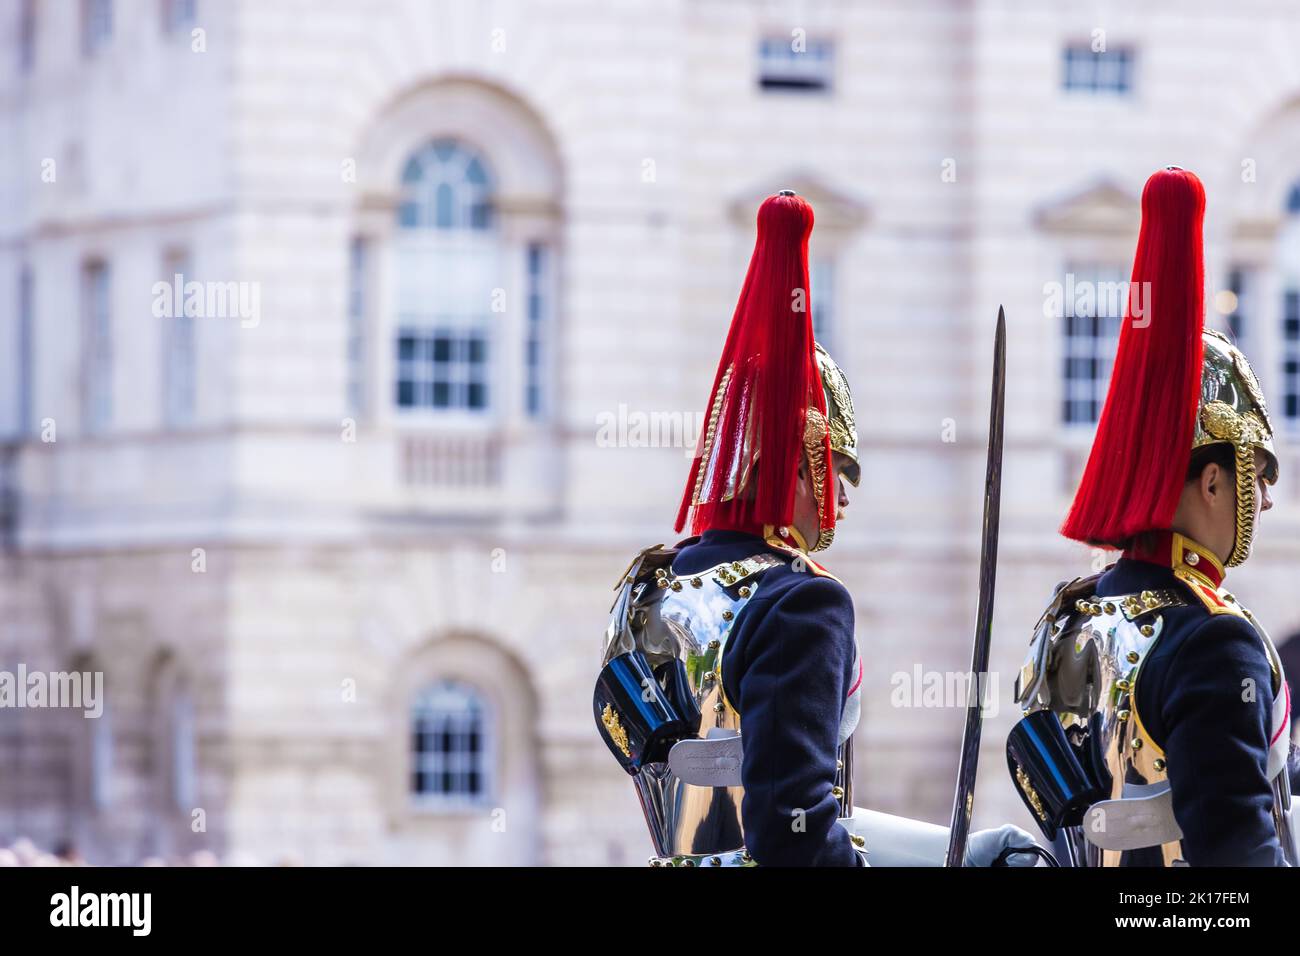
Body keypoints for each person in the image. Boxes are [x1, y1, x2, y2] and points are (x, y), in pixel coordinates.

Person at [594, 190, 1037, 866]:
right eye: (837, 470)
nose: (845, 499)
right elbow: (794, 832)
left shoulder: (647, 584)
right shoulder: (801, 601)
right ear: (793, 466)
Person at [1007, 167, 1297, 866]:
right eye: (1254, 475)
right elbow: (1239, 858)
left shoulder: (1071, 614)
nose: (1265, 500)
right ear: (1209, 480)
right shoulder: (1211, 642)